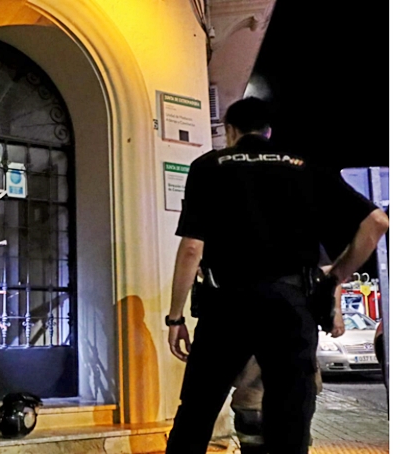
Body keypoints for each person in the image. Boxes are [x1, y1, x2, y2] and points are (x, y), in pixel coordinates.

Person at [164, 96, 388, 454]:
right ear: (269, 132)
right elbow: (377, 223)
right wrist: (334, 279)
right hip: (290, 305)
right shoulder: (304, 166)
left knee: (197, 413)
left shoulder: (208, 166)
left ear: (230, 131)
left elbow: (192, 247)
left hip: (226, 305)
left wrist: (175, 317)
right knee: (290, 418)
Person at [230, 262, 343, 454]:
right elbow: (331, 270)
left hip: (256, 316)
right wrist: (335, 310)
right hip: (294, 319)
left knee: (253, 409)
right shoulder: (300, 236)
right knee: (291, 413)